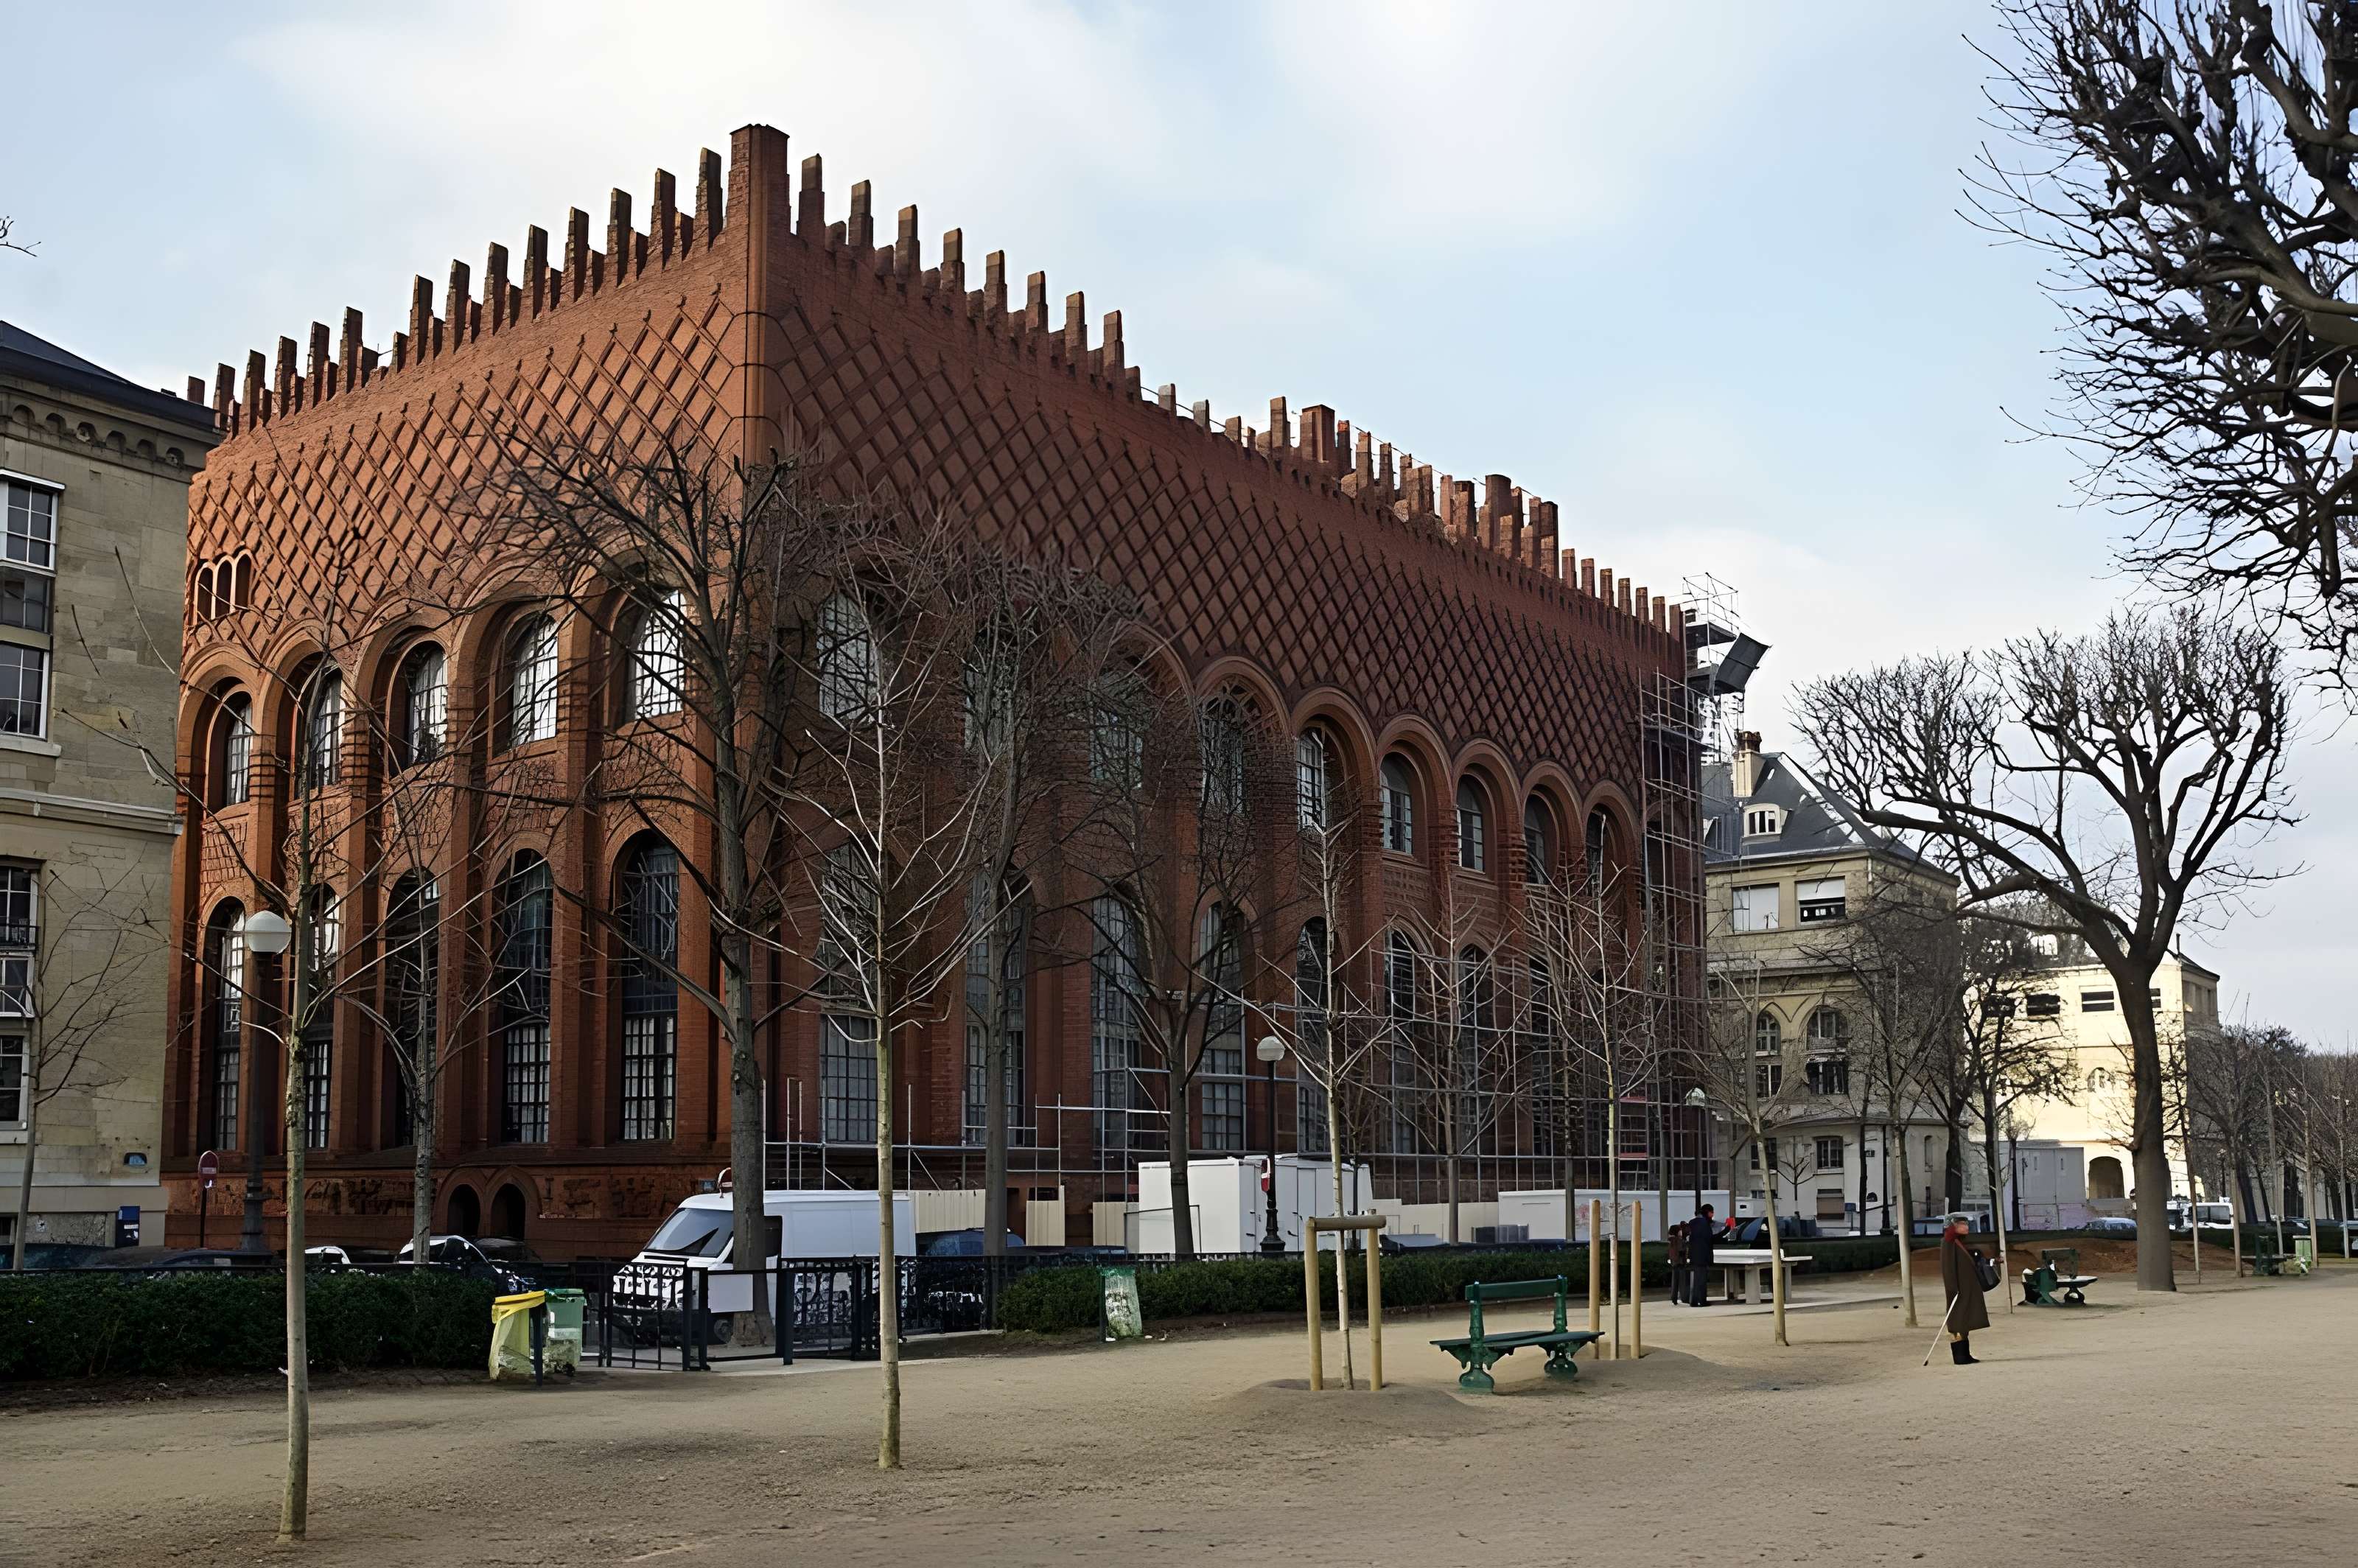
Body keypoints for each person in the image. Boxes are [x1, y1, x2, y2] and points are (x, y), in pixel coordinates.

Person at [1938, 1211, 1992, 1365]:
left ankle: (1965, 1354)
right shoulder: (1948, 1242)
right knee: (1957, 1321)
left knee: (1964, 1320)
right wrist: (1953, 1289)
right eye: (1962, 1224)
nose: (1966, 1226)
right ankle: (1959, 1355)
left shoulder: (1958, 1242)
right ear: (1953, 1226)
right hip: (1958, 1290)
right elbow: (1948, 1268)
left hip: (1965, 1288)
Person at [1684, 1203, 1716, 1306]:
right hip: (1703, 1255)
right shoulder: (1705, 1223)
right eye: (1712, 1213)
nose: (1713, 1215)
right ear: (1708, 1212)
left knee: (1696, 1279)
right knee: (1702, 1280)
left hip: (1694, 1255)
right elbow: (1709, 1239)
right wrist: (1726, 1230)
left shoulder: (1692, 1222)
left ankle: (1693, 1300)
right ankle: (1702, 1301)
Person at [1666, 1214, 1690, 1305]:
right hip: (1680, 1262)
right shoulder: (1679, 1240)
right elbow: (1682, 1250)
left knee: (1674, 1281)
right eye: (1680, 1231)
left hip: (1674, 1263)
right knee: (1682, 1282)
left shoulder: (1671, 1240)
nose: (1681, 1232)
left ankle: (1674, 1298)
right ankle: (1684, 1297)